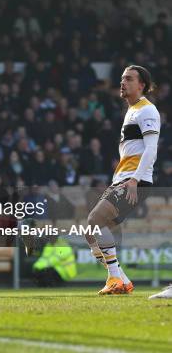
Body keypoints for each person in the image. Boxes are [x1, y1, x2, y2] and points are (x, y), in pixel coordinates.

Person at [84, 65, 160, 295]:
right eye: (121, 78)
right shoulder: (132, 110)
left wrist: (135, 180)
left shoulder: (147, 110)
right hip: (123, 179)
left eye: (128, 79)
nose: (122, 82)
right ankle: (121, 280)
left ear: (142, 85)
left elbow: (151, 150)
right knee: (90, 232)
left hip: (135, 181)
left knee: (95, 220)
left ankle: (115, 278)